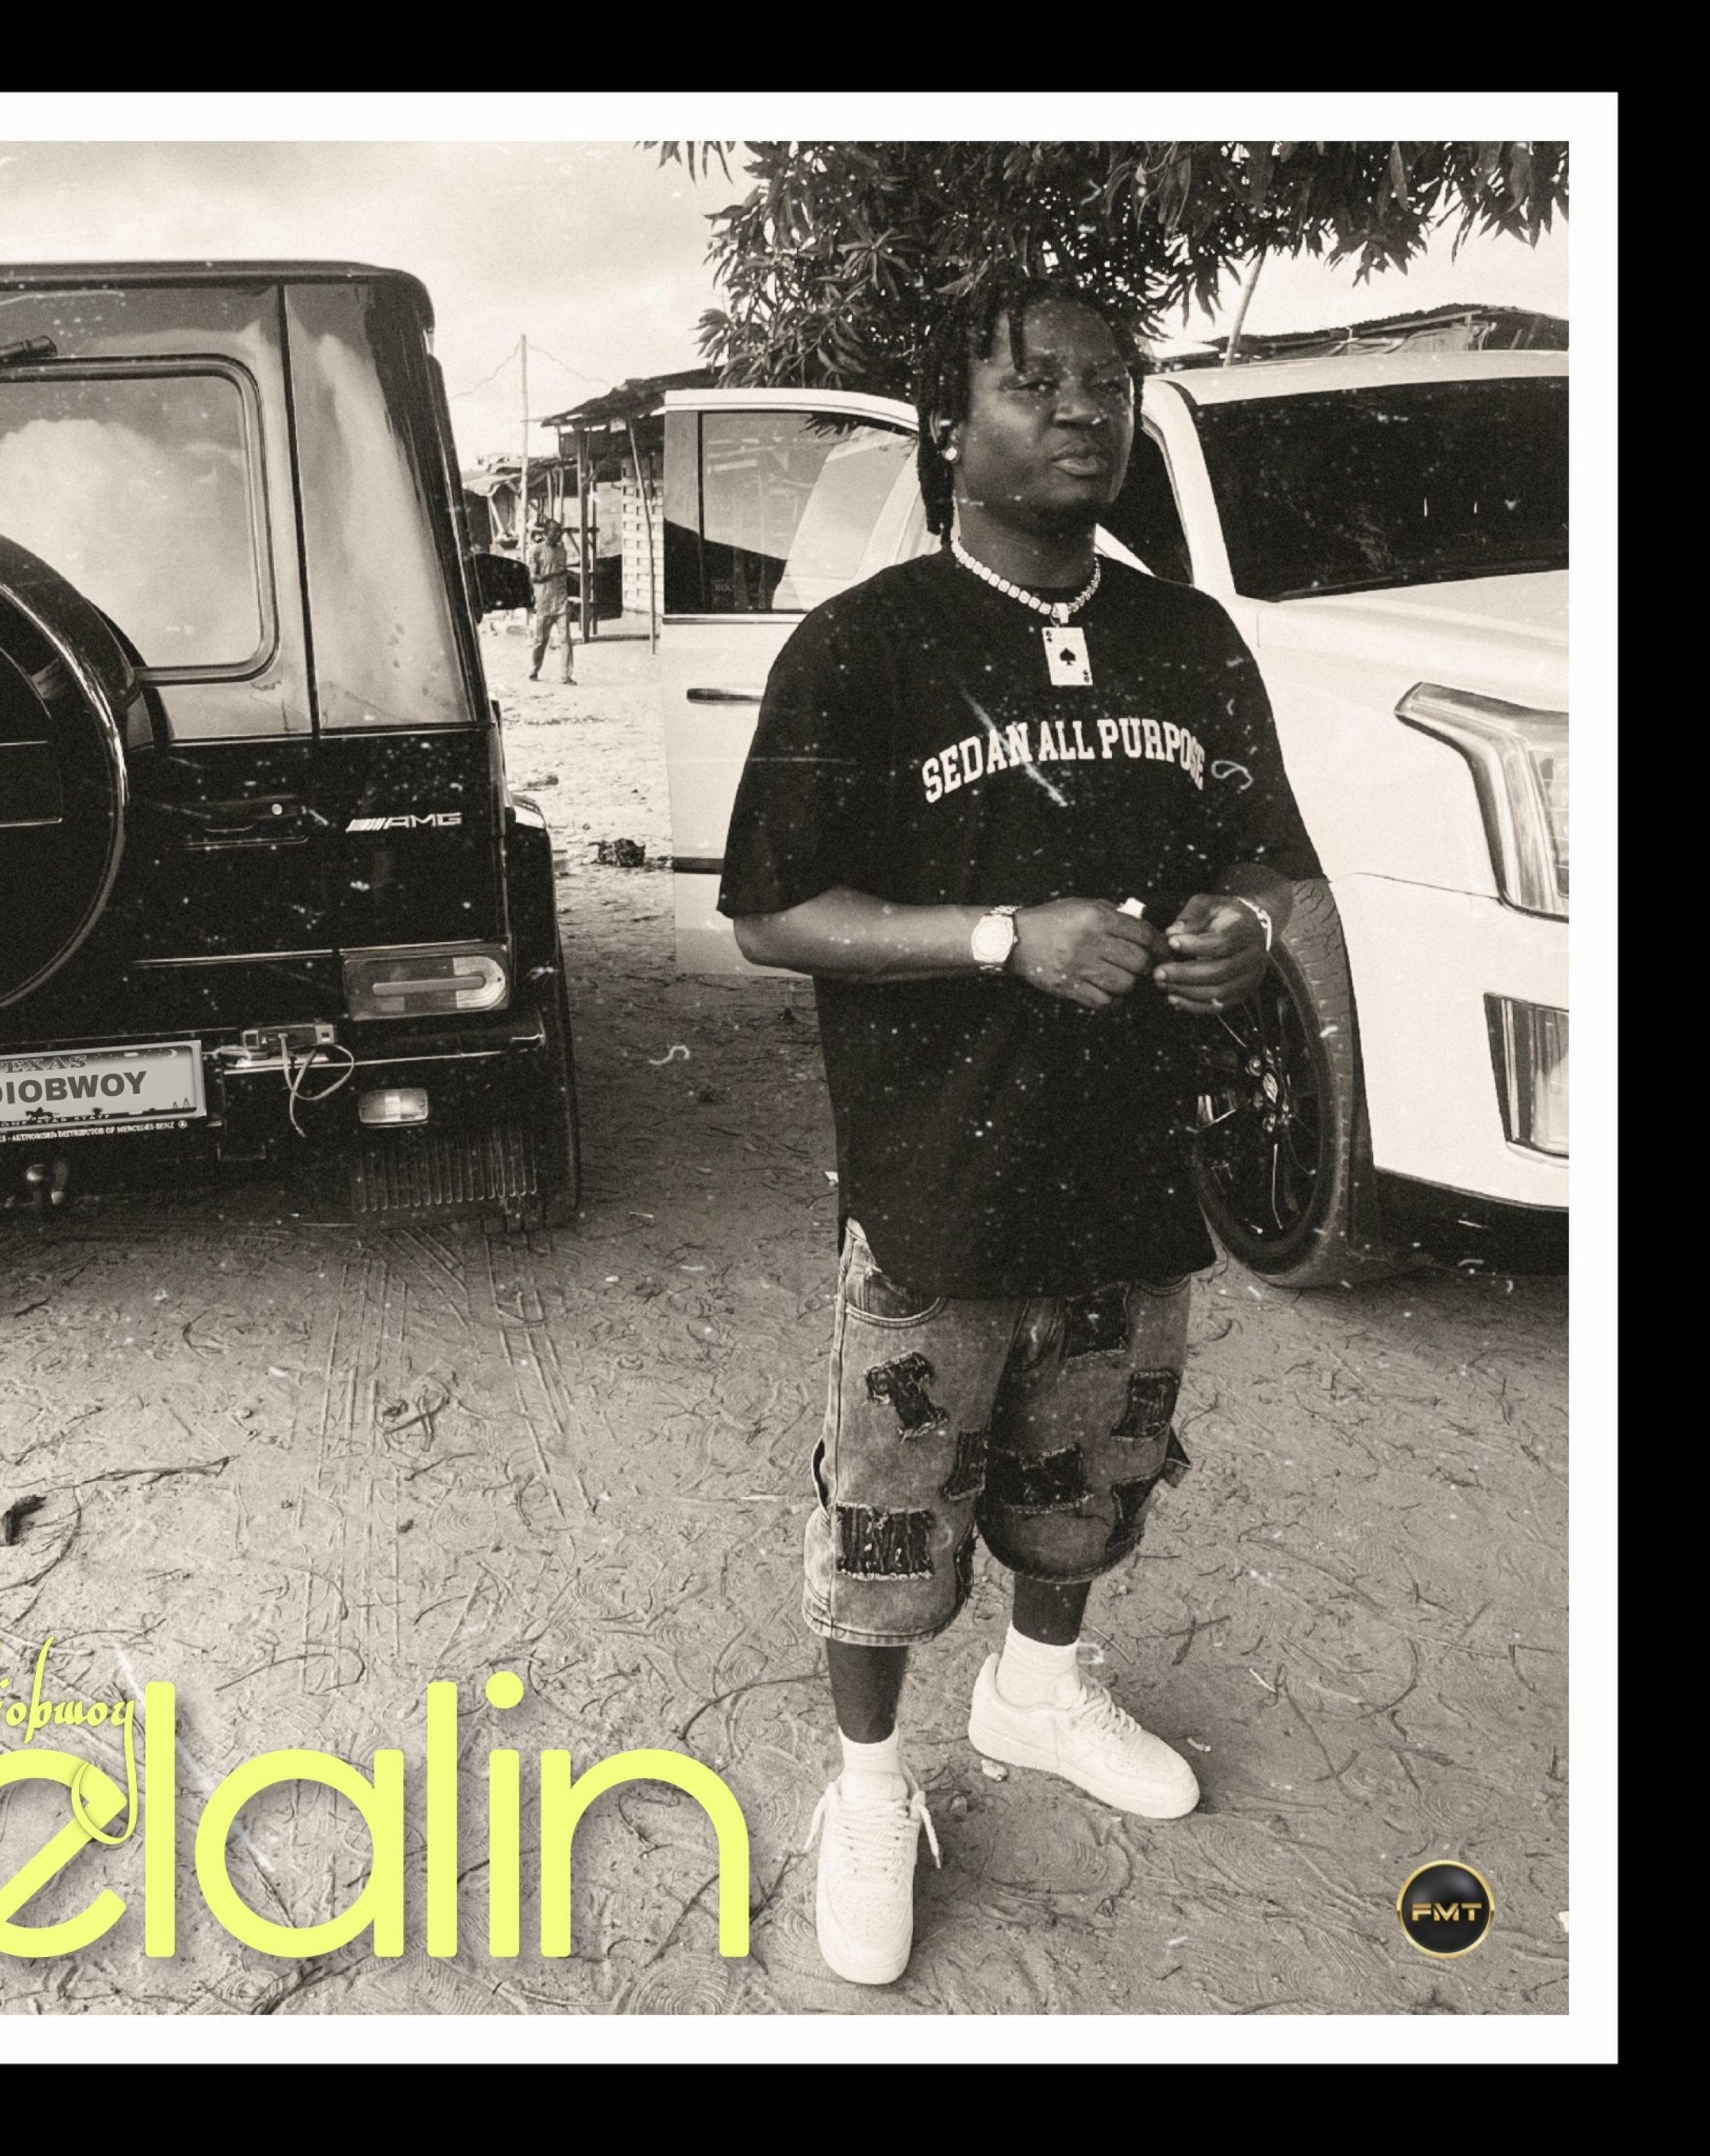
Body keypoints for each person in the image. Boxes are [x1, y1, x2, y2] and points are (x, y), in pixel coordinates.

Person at [716, 267, 1323, 1988]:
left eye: (1106, 382)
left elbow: (1265, 864)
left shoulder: (1190, 641)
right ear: (948, 428)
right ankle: (868, 1784)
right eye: (1033, 382)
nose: (1081, 410)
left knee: (1093, 1471)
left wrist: (1241, 932)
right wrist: (1002, 937)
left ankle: (1039, 1690)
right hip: (941, 1174)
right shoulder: (865, 646)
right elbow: (771, 912)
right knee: (890, 1509)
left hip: (1135, 1162)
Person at [524, 516, 576, 683]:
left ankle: (566, 676)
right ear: (546, 533)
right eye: (556, 531)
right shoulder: (536, 551)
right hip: (544, 601)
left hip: (561, 600)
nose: (559, 534)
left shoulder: (562, 551)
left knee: (566, 638)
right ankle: (535, 669)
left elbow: (563, 575)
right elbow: (534, 578)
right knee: (541, 640)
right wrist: (554, 574)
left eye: (560, 531)